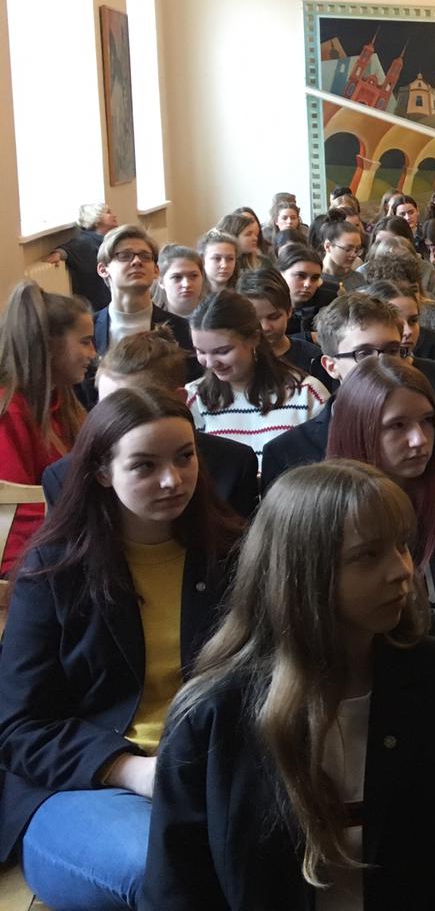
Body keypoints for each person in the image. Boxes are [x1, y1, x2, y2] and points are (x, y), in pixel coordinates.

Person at [143, 460, 435, 909]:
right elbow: (176, 891)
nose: (402, 571)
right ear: (303, 573)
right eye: (368, 555)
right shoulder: (211, 714)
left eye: (402, 546)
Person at [0, 389, 240, 910]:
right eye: (145, 465)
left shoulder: (233, 552)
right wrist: (134, 770)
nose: (173, 480)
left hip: (211, 773)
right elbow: (17, 727)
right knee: (168, 870)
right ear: (102, 473)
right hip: (81, 787)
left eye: (185, 457)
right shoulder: (54, 570)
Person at [325, 357, 435, 677]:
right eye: (397, 425)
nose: (420, 439)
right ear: (359, 431)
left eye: (428, 421)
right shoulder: (326, 516)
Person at [42, 329, 258, 521]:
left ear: (179, 399)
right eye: (105, 406)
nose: (112, 420)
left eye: (133, 407)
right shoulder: (65, 477)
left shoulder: (232, 465)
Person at [260, 292, 435, 491]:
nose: (382, 364)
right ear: (331, 366)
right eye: (364, 354)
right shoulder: (288, 451)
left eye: (392, 351)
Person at [0, 281, 93, 573]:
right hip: (29, 558)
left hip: (63, 539)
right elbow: (14, 509)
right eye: (85, 342)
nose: (93, 353)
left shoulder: (63, 400)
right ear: (50, 347)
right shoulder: (9, 411)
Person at [185, 289, 330, 469]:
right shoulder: (193, 398)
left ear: (253, 339)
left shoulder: (307, 393)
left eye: (222, 351)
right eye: (200, 352)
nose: (210, 363)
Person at [90, 224, 195, 360]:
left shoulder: (182, 329)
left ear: (156, 270)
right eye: (125, 256)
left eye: (145, 256)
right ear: (103, 269)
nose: (137, 261)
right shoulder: (89, 330)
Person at [236, 266, 323, 377]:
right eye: (255, 319)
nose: (265, 327)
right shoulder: (234, 361)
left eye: (274, 317)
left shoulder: (313, 358)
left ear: (289, 311)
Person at [45, 202, 116, 310]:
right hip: (96, 305)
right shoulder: (86, 241)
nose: (114, 215)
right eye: (108, 213)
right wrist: (58, 254)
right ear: (96, 219)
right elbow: (70, 248)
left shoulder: (108, 240)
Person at [154, 245, 206, 319]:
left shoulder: (219, 316)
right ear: (161, 281)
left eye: (194, 275)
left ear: (202, 277)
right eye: (177, 277)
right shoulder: (150, 320)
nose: (186, 284)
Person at [318, 218, 364, 292]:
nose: (354, 255)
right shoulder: (315, 280)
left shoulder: (359, 278)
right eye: (348, 249)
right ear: (328, 246)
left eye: (357, 249)